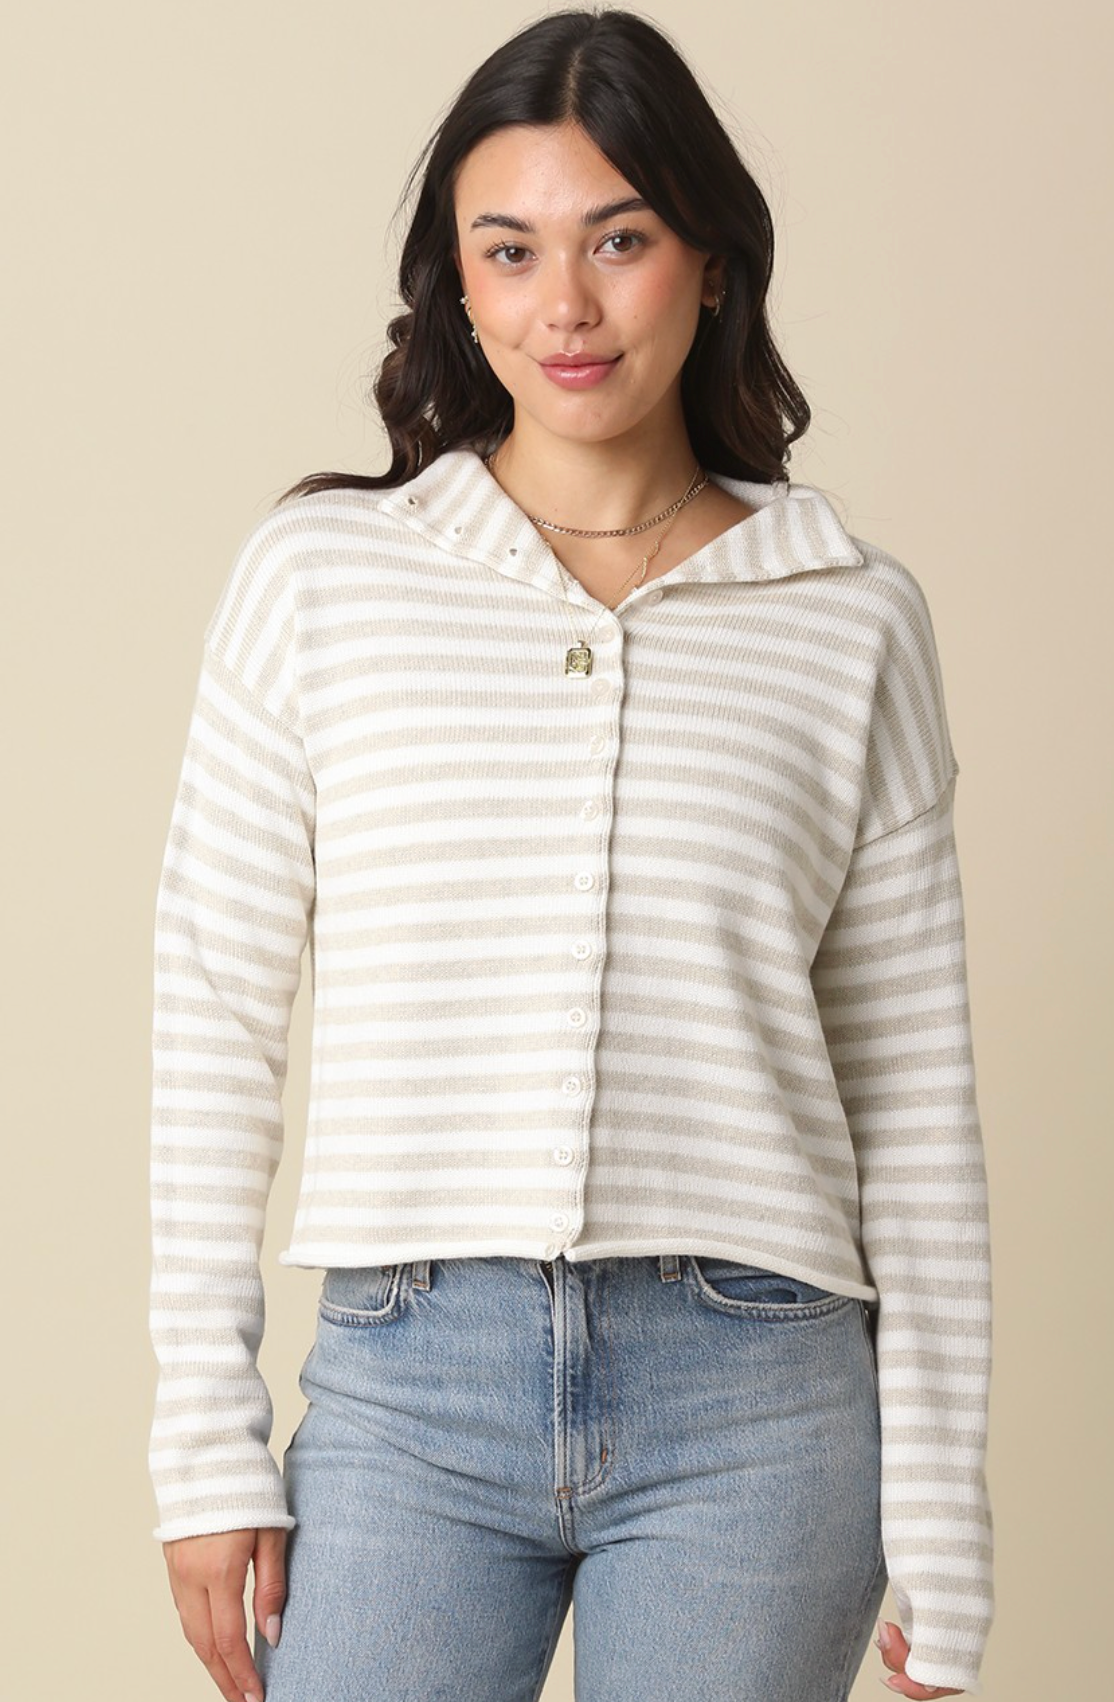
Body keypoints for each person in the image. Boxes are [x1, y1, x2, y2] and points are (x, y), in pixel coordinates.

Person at [148, 9, 994, 1702]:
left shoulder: (846, 615)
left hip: (756, 1399)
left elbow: (912, 1096)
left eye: (618, 239)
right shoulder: (325, 579)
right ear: (456, 285)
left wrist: (945, 1512)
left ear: (709, 260)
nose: (565, 306)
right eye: (509, 249)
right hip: (409, 1383)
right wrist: (202, 1437)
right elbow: (214, 1010)